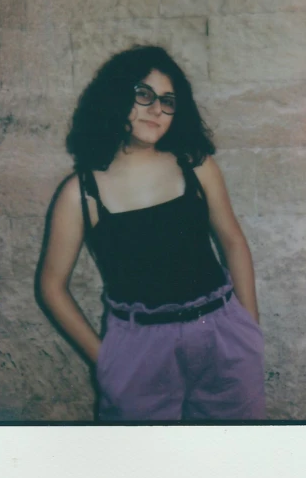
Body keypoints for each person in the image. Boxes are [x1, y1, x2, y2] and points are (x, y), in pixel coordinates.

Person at [40, 45, 265, 421]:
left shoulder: (195, 164)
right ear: (115, 97)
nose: (157, 109)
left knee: (233, 462)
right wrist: (106, 359)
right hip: (138, 349)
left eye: (168, 100)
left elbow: (233, 241)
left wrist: (249, 329)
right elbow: (51, 286)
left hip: (221, 335)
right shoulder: (80, 193)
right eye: (143, 95)